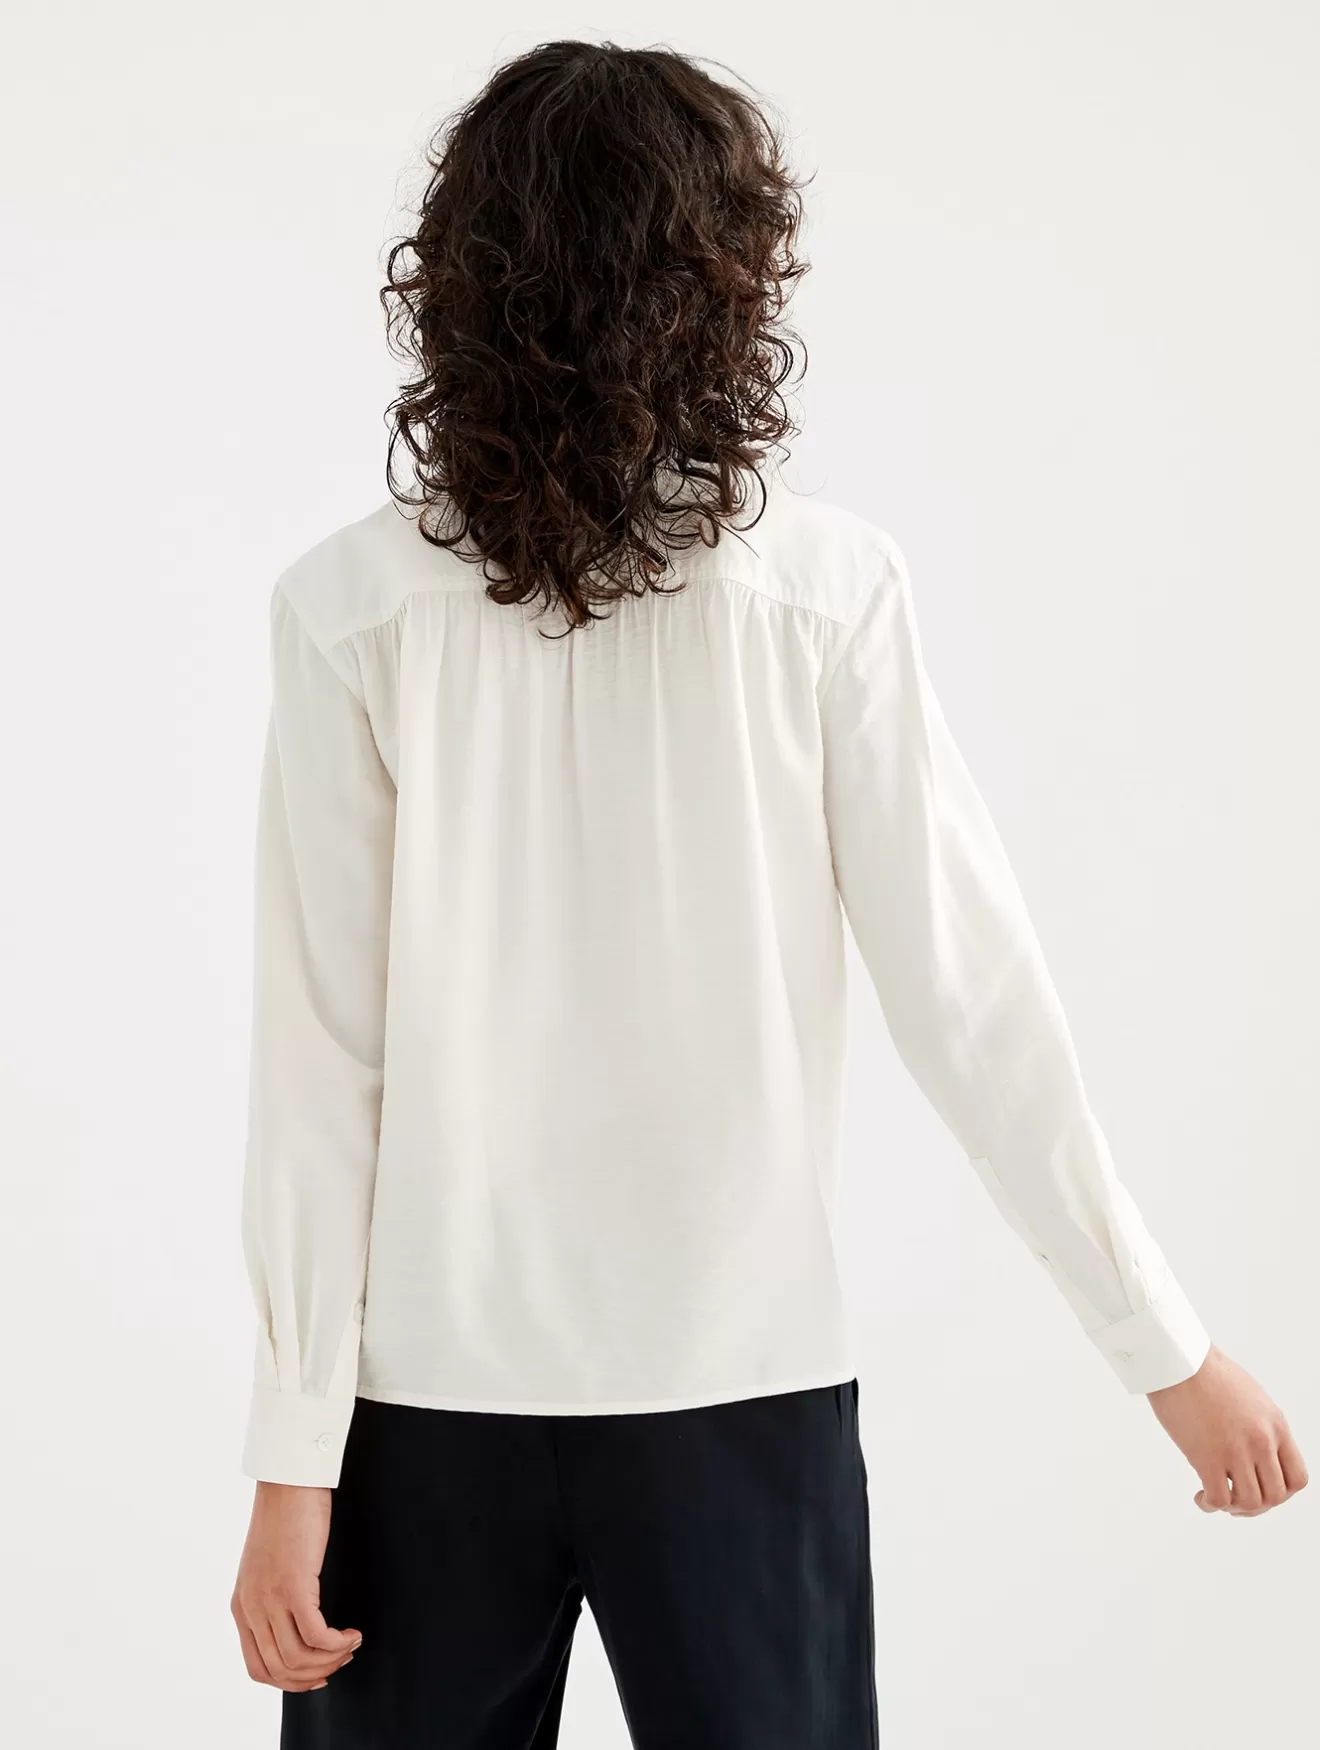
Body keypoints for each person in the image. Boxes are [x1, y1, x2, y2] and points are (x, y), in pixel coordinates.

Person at [229, 38, 1307, 1750]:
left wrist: (294, 1457)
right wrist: (1166, 1347)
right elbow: (975, 1001)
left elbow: (317, 1066)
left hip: (433, 1408)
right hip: (720, 1394)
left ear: (459, 282)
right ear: (722, 280)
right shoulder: (815, 594)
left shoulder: (361, 607)